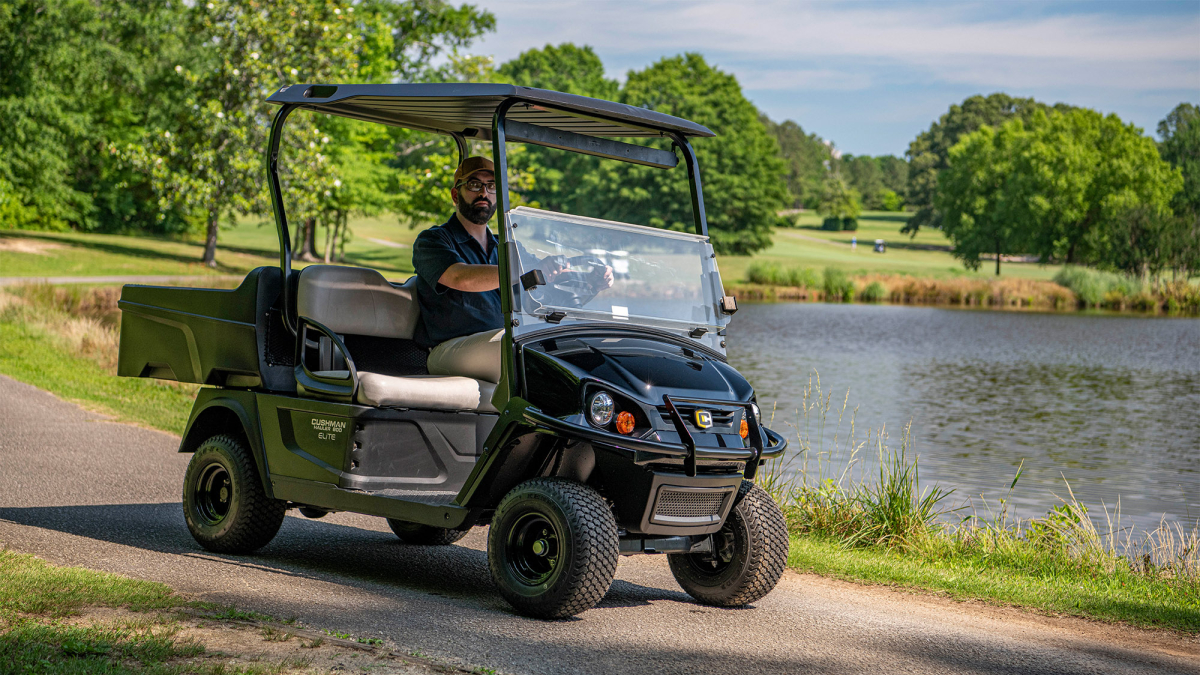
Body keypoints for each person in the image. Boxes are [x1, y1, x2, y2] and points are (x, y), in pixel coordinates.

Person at [411, 157, 610, 384]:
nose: (484, 193)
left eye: (492, 186)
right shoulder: (433, 240)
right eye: (474, 185)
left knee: (577, 343)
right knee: (516, 345)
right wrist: (528, 270)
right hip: (449, 349)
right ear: (456, 195)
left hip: (499, 343)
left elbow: (544, 284)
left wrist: (592, 282)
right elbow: (461, 277)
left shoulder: (508, 248)